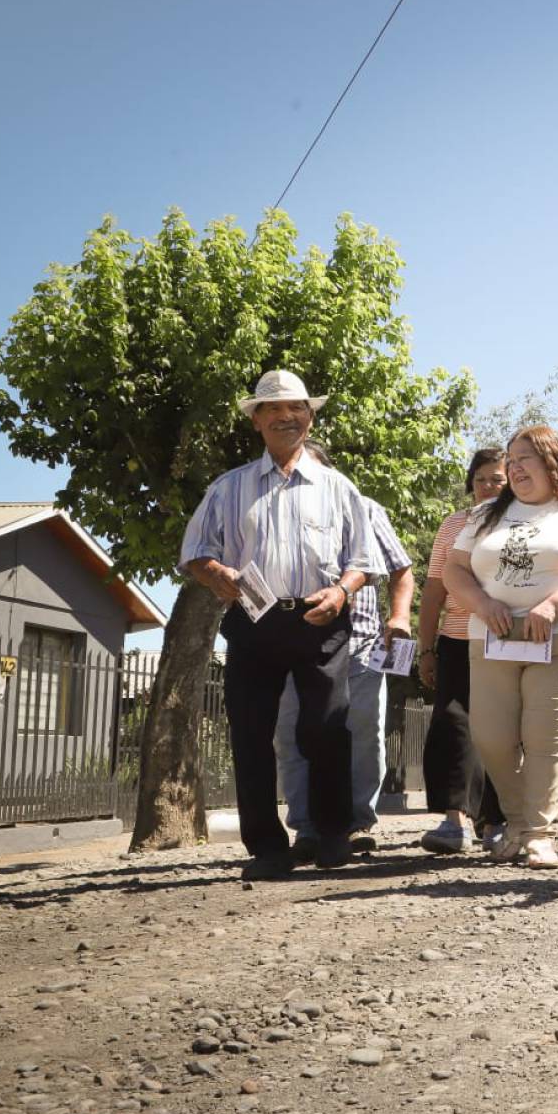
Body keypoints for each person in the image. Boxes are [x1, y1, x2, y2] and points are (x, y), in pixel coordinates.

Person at [179, 370, 376, 880]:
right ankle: (267, 848)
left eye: (297, 408)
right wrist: (214, 571)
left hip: (321, 619)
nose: (287, 416)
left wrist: (342, 591)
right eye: (274, 409)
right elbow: (195, 552)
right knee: (250, 732)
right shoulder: (229, 487)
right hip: (253, 620)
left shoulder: (338, 487)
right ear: (257, 420)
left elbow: (364, 558)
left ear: (310, 419)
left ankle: (333, 835)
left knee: (326, 728)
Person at [444, 425, 558, 868]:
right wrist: (482, 604)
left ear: (553, 461)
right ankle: (518, 819)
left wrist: (554, 605)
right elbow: (454, 571)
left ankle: (539, 833)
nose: (516, 466)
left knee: (544, 734)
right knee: (491, 737)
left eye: (527, 457)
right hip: (494, 638)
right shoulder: (486, 514)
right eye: (512, 458)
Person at [272, 440, 414, 860]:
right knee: (292, 736)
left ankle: (356, 824)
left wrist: (400, 617)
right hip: (295, 650)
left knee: (363, 736)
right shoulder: (277, 512)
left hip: (362, 648)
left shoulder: (366, 508)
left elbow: (401, 569)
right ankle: (306, 828)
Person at [416, 448, 507, 854]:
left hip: (505, 640)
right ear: (470, 482)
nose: (489, 486)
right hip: (455, 640)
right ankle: (455, 822)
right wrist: (425, 648)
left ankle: (496, 822)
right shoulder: (453, 525)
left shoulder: (521, 522)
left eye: (498, 479)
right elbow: (434, 589)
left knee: (501, 732)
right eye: (482, 478)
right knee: (452, 725)